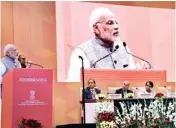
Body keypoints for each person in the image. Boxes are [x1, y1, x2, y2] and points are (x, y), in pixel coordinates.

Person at [67, 7, 136, 82]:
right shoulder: (82, 52)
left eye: (117, 23)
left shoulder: (124, 48)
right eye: (110, 23)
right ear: (96, 28)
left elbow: (132, 80)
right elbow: (75, 84)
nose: (116, 27)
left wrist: (139, 71)